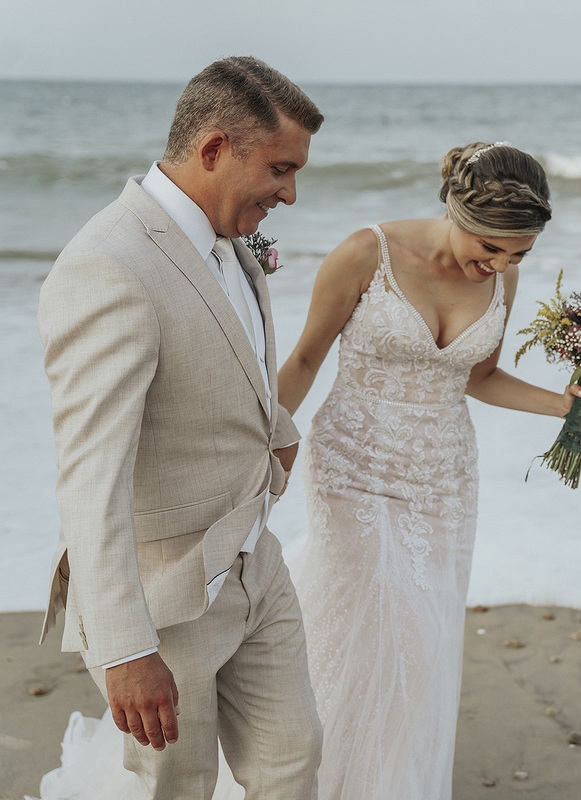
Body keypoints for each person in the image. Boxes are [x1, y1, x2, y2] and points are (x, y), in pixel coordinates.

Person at [276, 141, 581, 798]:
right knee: (356, 622)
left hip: (443, 478)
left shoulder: (501, 276)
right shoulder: (364, 253)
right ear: (457, 213)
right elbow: (307, 360)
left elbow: (477, 376)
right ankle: (300, 778)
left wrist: (564, 408)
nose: (501, 265)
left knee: (417, 644)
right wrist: (260, 442)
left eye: (519, 255)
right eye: (492, 248)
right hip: (352, 465)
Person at [36, 56, 324, 799]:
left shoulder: (229, 237)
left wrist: (279, 426)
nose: (291, 193)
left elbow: (226, 355)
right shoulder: (109, 266)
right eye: (281, 169)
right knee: (177, 789)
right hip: (165, 597)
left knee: (294, 762)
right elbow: (91, 473)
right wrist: (127, 646)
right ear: (214, 149)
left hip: (257, 559)